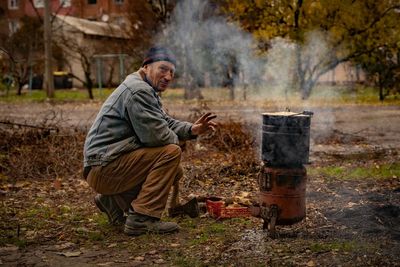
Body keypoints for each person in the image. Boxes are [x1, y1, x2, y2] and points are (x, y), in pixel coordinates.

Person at [83, 46, 217, 236]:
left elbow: (165, 121)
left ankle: (111, 201)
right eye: (163, 69)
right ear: (146, 66)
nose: (169, 77)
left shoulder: (143, 87)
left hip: (103, 167)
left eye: (172, 72)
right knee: (170, 152)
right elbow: (157, 137)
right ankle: (141, 219)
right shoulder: (139, 91)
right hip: (104, 169)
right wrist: (178, 142)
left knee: (174, 169)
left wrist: (191, 130)